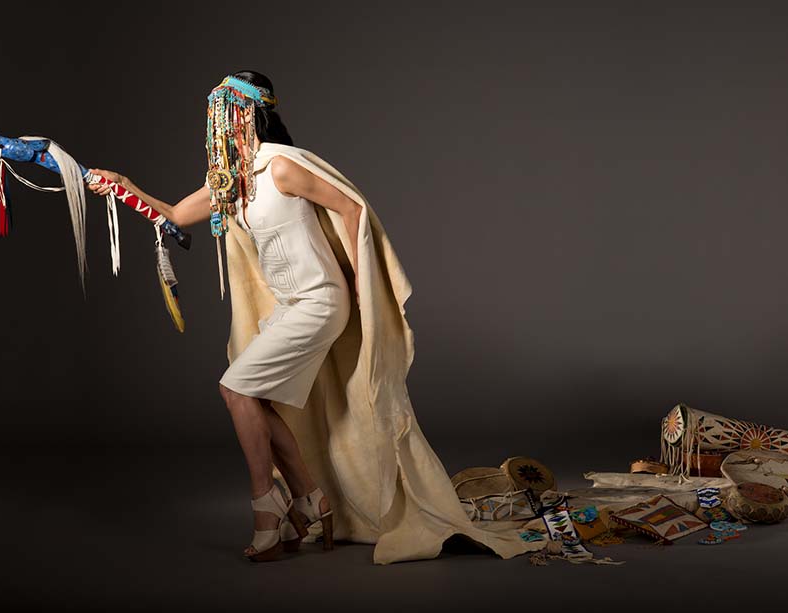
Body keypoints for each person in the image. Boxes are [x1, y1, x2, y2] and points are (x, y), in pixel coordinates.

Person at [88, 70, 544, 565]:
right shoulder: (233, 179)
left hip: (320, 301)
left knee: (235, 389)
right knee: (253, 399)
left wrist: (357, 283)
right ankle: (310, 497)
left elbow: (351, 209)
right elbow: (175, 215)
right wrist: (125, 186)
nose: (219, 125)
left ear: (248, 114)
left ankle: (268, 508)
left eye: (226, 113)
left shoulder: (281, 166)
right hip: (289, 307)